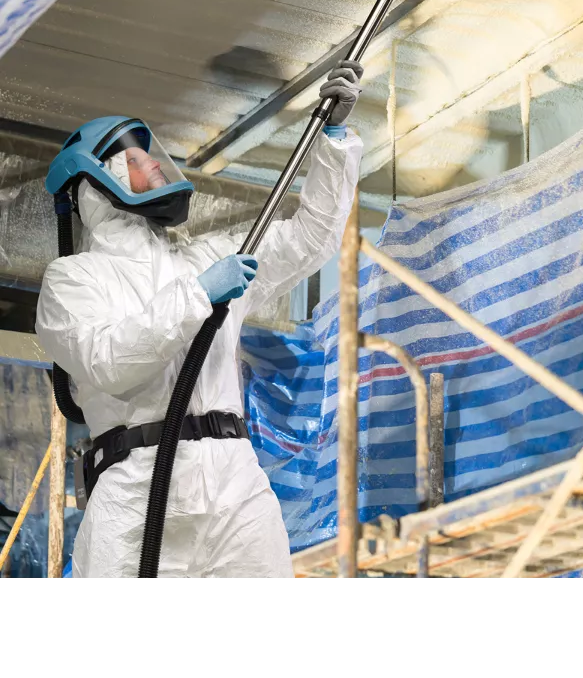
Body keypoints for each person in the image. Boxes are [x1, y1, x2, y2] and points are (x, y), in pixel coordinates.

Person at [36, 61, 365, 581]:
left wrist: (334, 138)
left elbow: (309, 238)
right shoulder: (73, 280)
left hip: (233, 485)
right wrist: (198, 297)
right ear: (94, 181)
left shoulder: (205, 257)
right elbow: (111, 363)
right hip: (135, 490)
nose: (156, 169)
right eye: (137, 162)